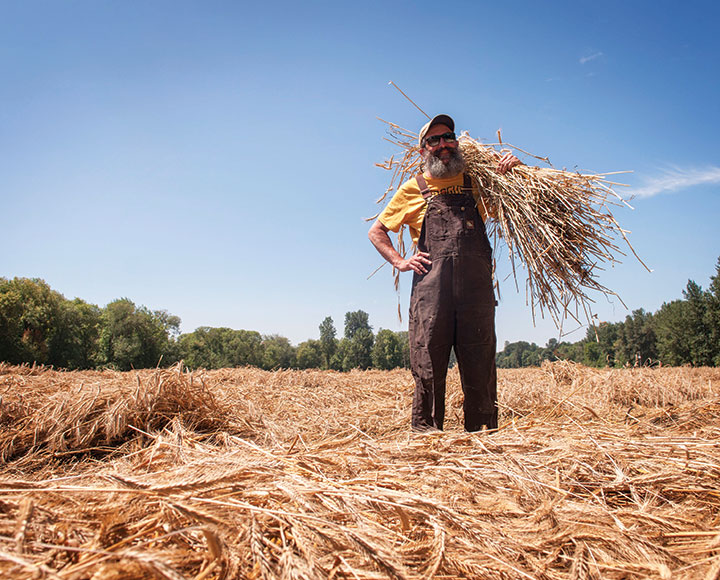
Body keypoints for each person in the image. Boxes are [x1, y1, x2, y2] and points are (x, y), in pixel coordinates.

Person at [368, 114, 521, 432]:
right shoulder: (413, 189)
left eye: (448, 137)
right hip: (431, 292)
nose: (443, 145)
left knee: (480, 362)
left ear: (456, 142)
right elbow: (377, 231)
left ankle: (483, 438)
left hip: (475, 292)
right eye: (434, 141)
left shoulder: (477, 182)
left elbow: (515, 204)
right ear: (423, 150)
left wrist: (511, 173)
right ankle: (428, 439)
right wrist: (399, 261)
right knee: (428, 364)